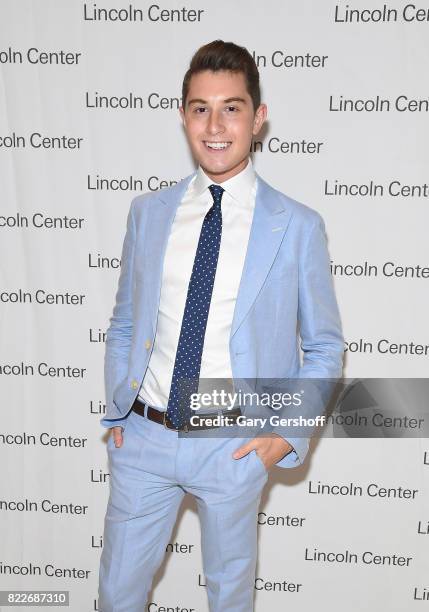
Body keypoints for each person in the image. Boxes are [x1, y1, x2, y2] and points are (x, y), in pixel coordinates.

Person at [98, 39, 344, 612]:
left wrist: (285, 436)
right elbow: (126, 320)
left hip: (233, 444)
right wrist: (118, 408)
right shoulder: (148, 212)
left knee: (230, 601)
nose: (215, 125)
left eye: (231, 108)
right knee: (115, 597)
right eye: (200, 108)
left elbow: (326, 346)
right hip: (145, 439)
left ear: (257, 119)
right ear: (182, 114)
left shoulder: (297, 226)